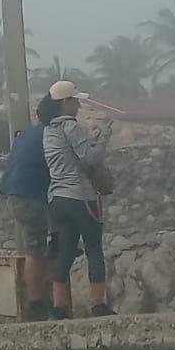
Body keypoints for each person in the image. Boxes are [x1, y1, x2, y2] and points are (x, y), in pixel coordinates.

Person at [42, 79, 113, 319]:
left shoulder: (48, 130)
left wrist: (89, 140)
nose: (79, 106)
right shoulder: (71, 126)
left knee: (65, 251)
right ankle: (98, 305)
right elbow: (90, 158)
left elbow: (69, 155)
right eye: (75, 101)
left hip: (58, 198)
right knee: (93, 248)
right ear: (66, 102)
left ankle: (59, 307)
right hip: (81, 197)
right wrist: (103, 138)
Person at [0, 93, 58, 321]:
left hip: (16, 192)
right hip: (29, 195)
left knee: (45, 246)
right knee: (37, 249)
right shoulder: (52, 136)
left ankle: (46, 299)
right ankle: (35, 303)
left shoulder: (29, 135)